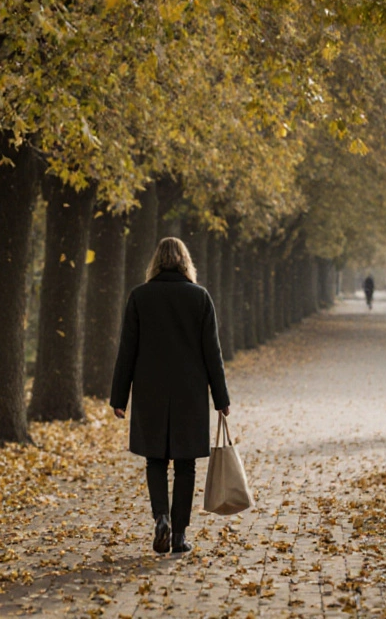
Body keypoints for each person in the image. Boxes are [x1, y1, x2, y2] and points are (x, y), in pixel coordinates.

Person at [111, 237, 231, 555]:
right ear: (185, 262)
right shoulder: (200, 297)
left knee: (155, 459)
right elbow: (212, 353)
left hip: (150, 390)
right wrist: (221, 398)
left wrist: (119, 398)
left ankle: (160, 517)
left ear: (156, 262)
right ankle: (178, 535)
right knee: (185, 465)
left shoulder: (139, 297)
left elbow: (128, 351)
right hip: (189, 392)